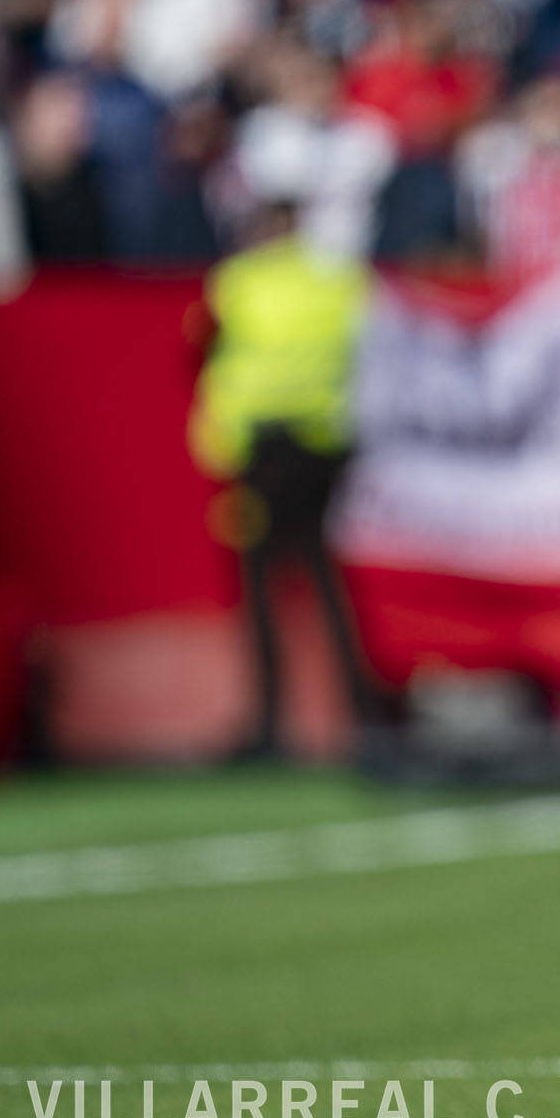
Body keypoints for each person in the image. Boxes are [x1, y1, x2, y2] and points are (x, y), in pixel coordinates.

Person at [189, 198, 379, 758]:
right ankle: (363, 714)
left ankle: (270, 725)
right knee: (330, 586)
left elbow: (203, 351)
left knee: (261, 594)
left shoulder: (237, 283)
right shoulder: (339, 284)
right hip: (328, 448)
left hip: (261, 456)